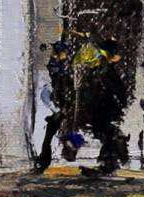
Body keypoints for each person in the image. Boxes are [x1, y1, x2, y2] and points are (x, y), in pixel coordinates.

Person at [72, 35, 130, 174]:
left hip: (104, 107)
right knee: (106, 132)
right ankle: (114, 158)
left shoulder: (104, 70)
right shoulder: (102, 69)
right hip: (102, 106)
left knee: (106, 132)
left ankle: (110, 161)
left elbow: (114, 88)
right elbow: (116, 89)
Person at [32, 36, 76, 172]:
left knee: (52, 134)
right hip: (62, 106)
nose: (52, 55)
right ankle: (46, 160)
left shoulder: (60, 68)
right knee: (53, 133)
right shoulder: (63, 67)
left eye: (55, 52)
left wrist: (58, 109)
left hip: (61, 106)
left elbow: (56, 90)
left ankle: (45, 161)